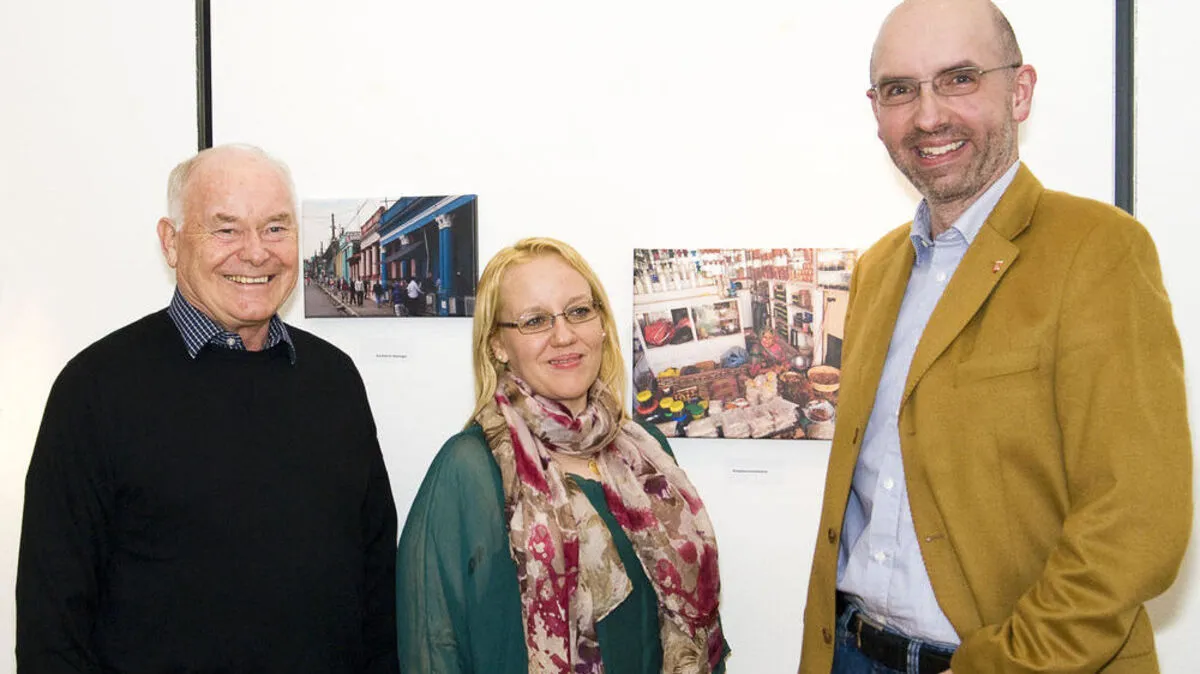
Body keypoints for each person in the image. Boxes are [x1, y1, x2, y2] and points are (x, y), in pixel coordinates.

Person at [799, 2, 1192, 673]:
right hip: (855, 651)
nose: (927, 116)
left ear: (1020, 89)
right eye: (900, 90)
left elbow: (1135, 522)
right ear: (876, 112)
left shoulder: (1098, 250)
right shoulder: (877, 269)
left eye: (958, 79)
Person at [16, 144, 400, 673]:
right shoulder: (94, 390)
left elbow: (378, 591)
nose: (256, 252)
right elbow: (51, 626)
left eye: (275, 227)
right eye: (225, 229)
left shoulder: (335, 380)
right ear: (171, 243)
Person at [397, 237, 730, 673]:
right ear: (498, 344)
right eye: (535, 320)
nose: (564, 335)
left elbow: (698, 620)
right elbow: (430, 644)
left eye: (578, 311)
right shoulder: (469, 470)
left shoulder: (649, 453)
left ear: (601, 323)